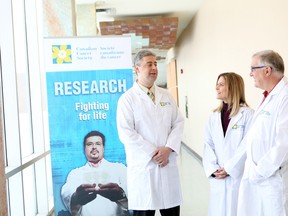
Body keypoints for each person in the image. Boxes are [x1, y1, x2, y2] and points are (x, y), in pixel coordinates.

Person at [116, 49, 184, 216]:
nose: (154, 67)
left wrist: (168, 149)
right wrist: (153, 153)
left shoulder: (166, 96)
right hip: (144, 168)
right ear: (137, 69)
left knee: (171, 211)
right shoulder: (127, 99)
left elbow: (178, 122)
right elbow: (126, 133)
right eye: (149, 64)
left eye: (155, 64)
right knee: (145, 210)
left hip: (167, 165)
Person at [237, 50, 288, 216]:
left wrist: (259, 172)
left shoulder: (285, 97)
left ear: (267, 70)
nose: (250, 73)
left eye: (253, 69)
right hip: (259, 177)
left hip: (272, 178)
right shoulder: (267, 96)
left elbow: (283, 145)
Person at [202, 72, 254, 216]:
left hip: (237, 175)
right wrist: (213, 168)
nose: (216, 88)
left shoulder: (248, 115)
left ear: (232, 87)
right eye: (217, 84)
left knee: (237, 210)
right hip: (218, 176)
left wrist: (230, 168)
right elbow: (208, 144)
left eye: (221, 84)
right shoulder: (213, 117)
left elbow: (247, 145)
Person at [61, 130, 129, 216]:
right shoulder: (75, 173)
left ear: (103, 147)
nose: (94, 147)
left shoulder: (119, 168)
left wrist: (121, 195)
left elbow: (132, 192)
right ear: (84, 149)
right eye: (89, 144)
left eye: (98, 144)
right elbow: (67, 192)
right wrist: (76, 197)